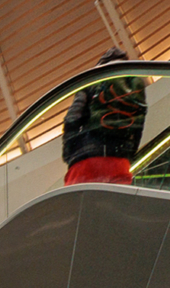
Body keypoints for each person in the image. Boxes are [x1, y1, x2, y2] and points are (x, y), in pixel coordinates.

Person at [62, 47, 148, 186]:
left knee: (78, 206)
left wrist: (70, 154)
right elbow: (138, 126)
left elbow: (73, 118)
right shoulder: (134, 81)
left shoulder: (92, 80)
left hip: (86, 161)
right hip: (119, 162)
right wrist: (128, 156)